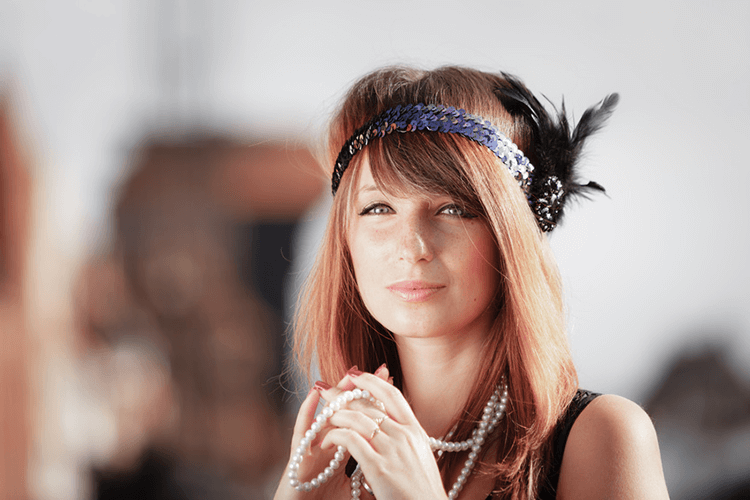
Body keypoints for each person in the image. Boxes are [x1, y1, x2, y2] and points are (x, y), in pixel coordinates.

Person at [274, 65, 670, 499]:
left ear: (508, 237)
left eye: (453, 209)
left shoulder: (603, 437)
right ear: (345, 240)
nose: (413, 246)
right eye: (378, 208)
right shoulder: (328, 462)